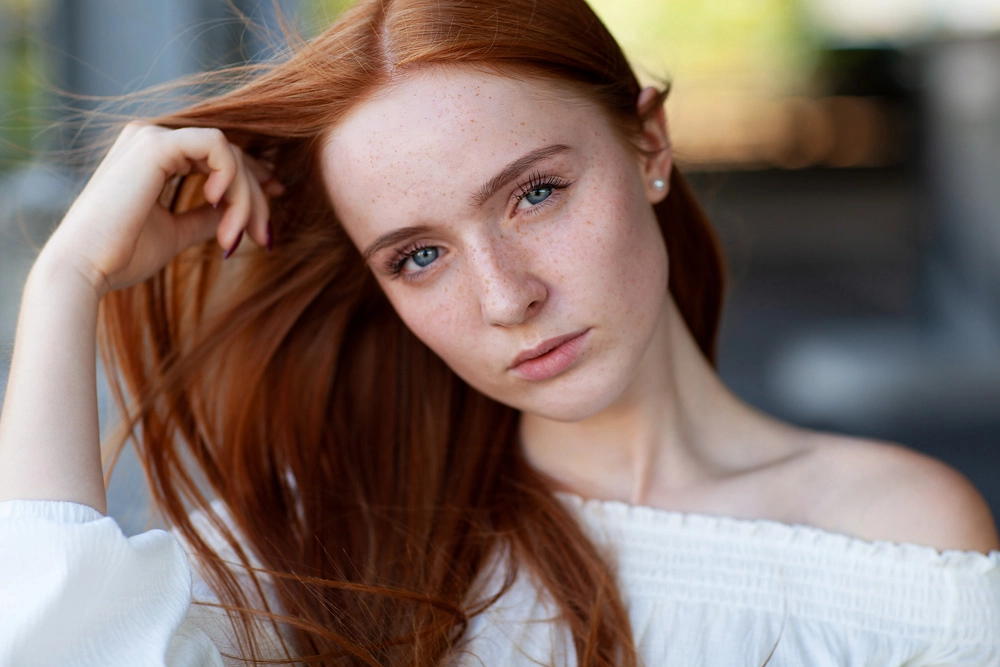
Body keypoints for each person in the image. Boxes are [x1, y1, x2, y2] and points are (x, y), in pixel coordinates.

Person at [1, 0, 998, 664]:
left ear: (647, 143)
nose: (506, 296)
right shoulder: (329, 533)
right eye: (417, 255)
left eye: (534, 193)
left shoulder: (893, 535)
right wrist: (66, 282)